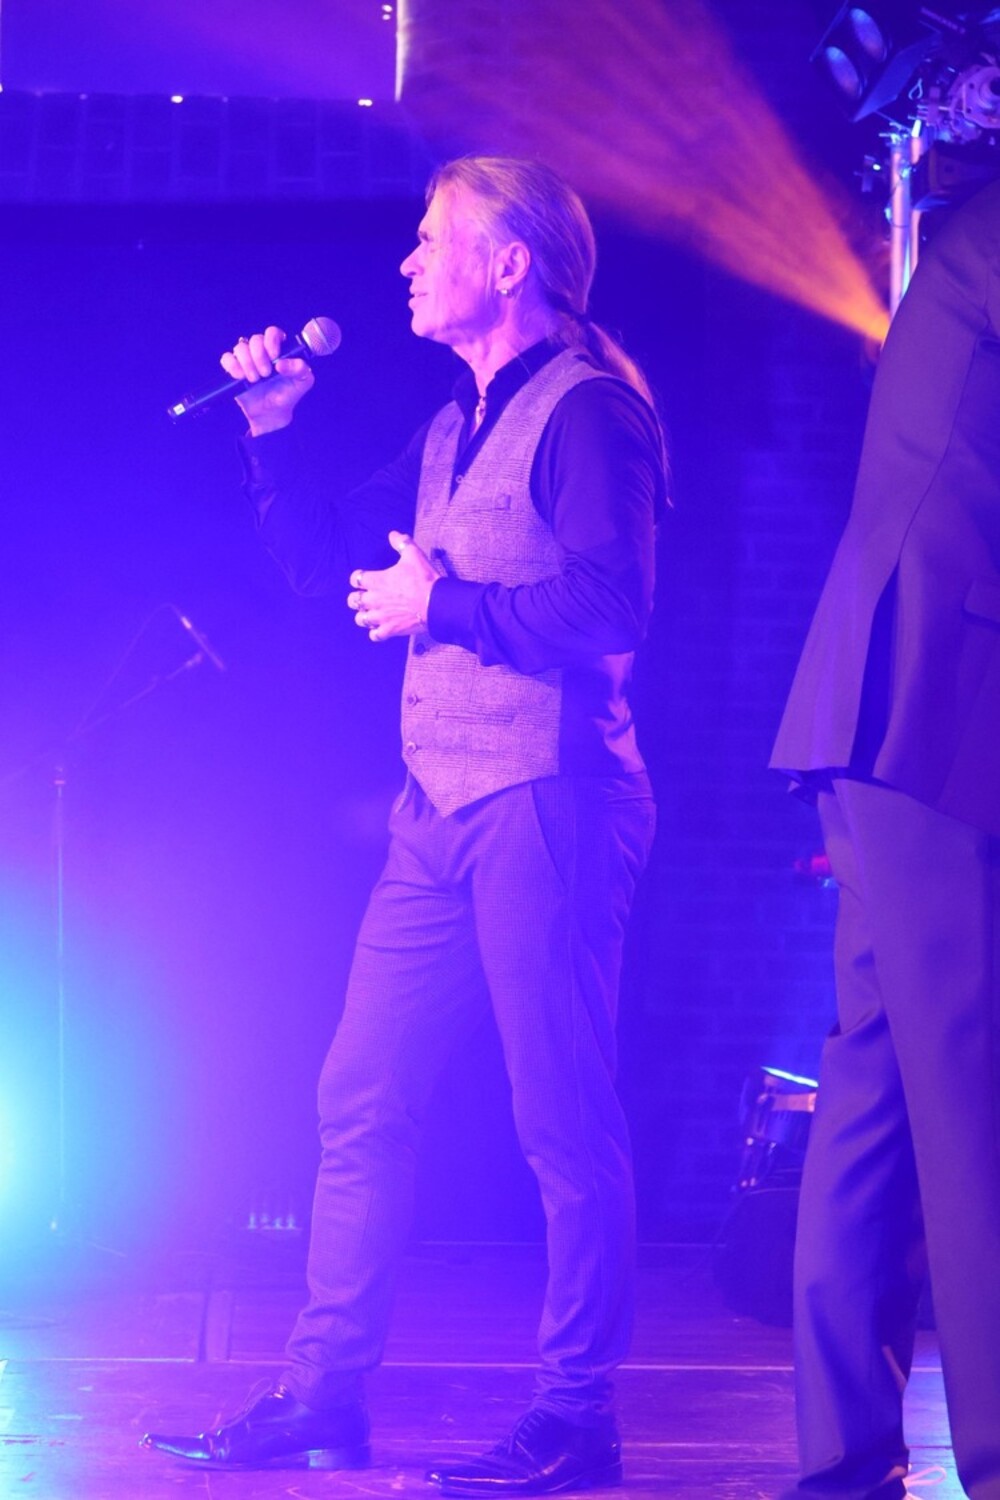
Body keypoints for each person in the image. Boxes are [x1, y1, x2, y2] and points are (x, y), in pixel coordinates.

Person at [142, 155, 666, 1493]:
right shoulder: (449, 427)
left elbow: (612, 606)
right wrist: (272, 430)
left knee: (562, 1119)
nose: (408, 262)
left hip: (549, 798)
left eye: (434, 239)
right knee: (360, 1093)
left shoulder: (590, 412)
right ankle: (324, 1396)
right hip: (435, 809)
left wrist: (449, 608)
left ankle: (577, 1415)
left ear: (511, 262)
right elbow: (323, 562)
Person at [771, 173, 1000, 1499]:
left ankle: (844, 1453)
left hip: (894, 706)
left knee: (878, 1089)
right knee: (971, 1093)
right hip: (936, 709)